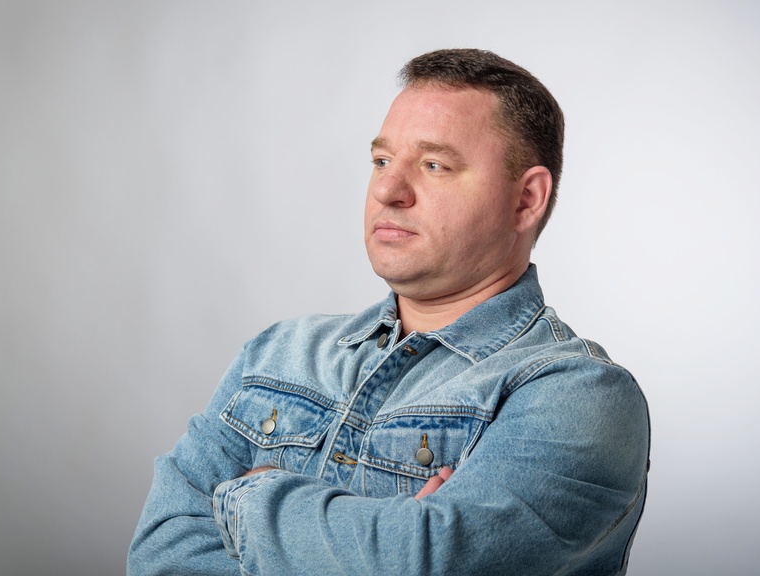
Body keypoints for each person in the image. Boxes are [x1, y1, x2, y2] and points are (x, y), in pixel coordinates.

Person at [128, 48, 650, 576]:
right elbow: (158, 556)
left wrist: (248, 494)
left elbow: (425, 563)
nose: (386, 190)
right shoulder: (277, 354)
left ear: (526, 199)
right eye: (381, 161)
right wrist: (386, 536)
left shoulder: (579, 395)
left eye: (434, 165)